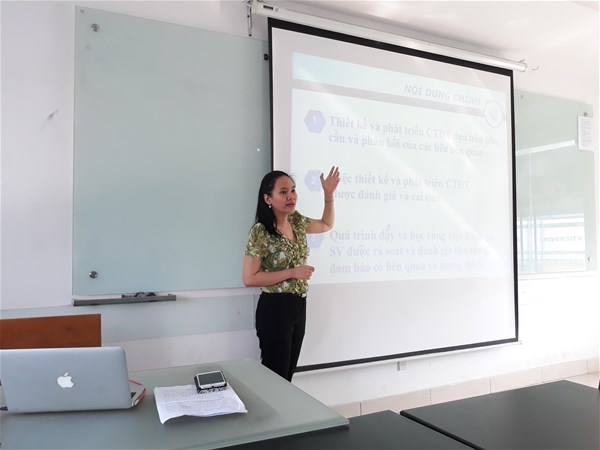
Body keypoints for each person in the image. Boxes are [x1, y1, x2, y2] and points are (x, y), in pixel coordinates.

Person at [242, 166, 340, 381]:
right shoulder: (261, 231)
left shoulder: (296, 221)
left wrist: (328, 195)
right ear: (268, 198)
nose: (291, 196)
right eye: (283, 192)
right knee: (275, 376)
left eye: (293, 190)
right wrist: (293, 272)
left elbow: (326, 224)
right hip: (275, 308)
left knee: (287, 375)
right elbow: (249, 278)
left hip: (298, 305)